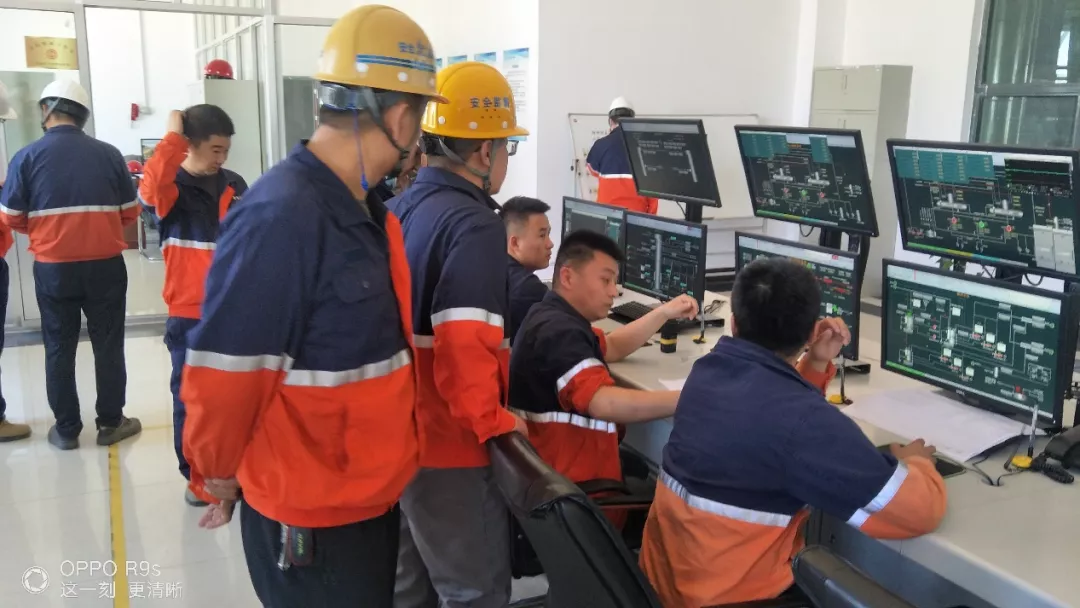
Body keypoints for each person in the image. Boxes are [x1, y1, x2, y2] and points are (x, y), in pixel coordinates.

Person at [179, 6, 444, 606]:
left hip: (361, 499)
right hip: (311, 522)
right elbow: (226, 374)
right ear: (400, 116)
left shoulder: (364, 210)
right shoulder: (283, 215)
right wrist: (216, 472)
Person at [640, 257, 948, 607]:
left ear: (734, 322)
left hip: (657, 588)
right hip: (733, 600)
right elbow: (919, 511)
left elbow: (769, 411)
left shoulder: (707, 372)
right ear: (810, 333)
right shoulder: (803, 422)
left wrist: (815, 363)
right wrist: (918, 463)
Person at [389, 61, 527, 608]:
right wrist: (497, 424)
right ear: (483, 153)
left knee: (411, 587)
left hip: (402, 435)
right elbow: (464, 345)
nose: (506, 160)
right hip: (451, 446)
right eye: (508, 147)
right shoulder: (474, 225)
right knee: (474, 592)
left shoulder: (400, 207)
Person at [0, 80, 141, 450]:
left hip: (54, 269)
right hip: (105, 267)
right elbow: (130, 213)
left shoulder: (26, 157)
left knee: (58, 346)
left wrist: (46, 230)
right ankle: (111, 422)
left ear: (46, 109)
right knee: (108, 344)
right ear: (83, 114)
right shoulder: (109, 155)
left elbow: (11, 217)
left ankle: (66, 430)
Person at [509, 230, 697, 483]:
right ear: (567, 277)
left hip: (550, 472)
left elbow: (613, 346)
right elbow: (604, 403)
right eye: (605, 280)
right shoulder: (561, 334)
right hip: (576, 486)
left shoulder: (550, 316)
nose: (614, 291)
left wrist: (664, 313)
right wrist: (692, 396)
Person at [138, 104, 247, 506]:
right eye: (216, 149)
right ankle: (198, 477)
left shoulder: (235, 184)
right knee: (191, 400)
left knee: (233, 399)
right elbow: (148, 191)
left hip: (233, 311)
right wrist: (171, 137)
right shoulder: (171, 189)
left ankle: (233, 471)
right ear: (190, 145)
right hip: (190, 315)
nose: (222, 158)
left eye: (226, 150)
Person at [585, 97, 658, 214]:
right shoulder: (646, 147)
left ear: (610, 121)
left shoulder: (600, 145)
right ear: (632, 121)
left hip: (606, 215)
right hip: (637, 216)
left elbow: (592, 171)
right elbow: (653, 191)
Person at [499, 196, 553, 343]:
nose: (550, 244)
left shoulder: (495, 265)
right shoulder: (529, 289)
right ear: (515, 243)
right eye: (542, 235)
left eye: (548, 234)